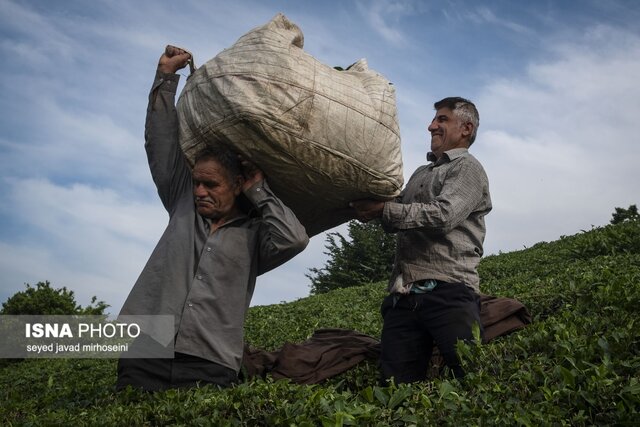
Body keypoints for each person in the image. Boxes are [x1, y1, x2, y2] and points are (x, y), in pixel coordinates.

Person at [116, 46, 309, 391]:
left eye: (211, 184)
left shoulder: (254, 235)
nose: (200, 191)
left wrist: (259, 190)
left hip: (210, 360)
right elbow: (160, 142)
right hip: (145, 348)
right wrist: (165, 77)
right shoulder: (181, 202)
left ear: (236, 185)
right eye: (197, 182)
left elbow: (294, 239)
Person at [351, 97, 492, 383]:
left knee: (470, 379)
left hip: (449, 292)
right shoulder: (420, 174)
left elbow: (444, 216)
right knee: (394, 387)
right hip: (403, 297)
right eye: (434, 120)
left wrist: (384, 209)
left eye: (442, 120)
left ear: (465, 128)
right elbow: (396, 217)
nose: (431, 126)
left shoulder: (467, 168)